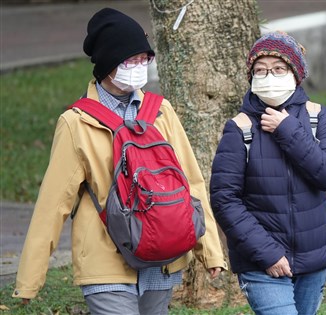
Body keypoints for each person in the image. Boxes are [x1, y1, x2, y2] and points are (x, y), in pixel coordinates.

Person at [12, 8, 227, 315]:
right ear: (109, 63)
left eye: (144, 59)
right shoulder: (77, 123)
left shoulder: (161, 112)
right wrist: (29, 279)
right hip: (105, 259)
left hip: (162, 253)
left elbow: (190, 181)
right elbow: (53, 202)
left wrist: (210, 253)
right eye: (131, 60)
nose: (139, 67)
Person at [210, 32, 326, 315]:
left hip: (314, 257)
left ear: (296, 74)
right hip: (262, 262)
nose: (269, 76)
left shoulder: (316, 116)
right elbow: (225, 199)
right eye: (260, 70)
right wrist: (268, 254)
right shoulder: (240, 127)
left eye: (278, 69)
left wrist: (289, 131)